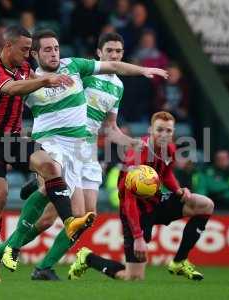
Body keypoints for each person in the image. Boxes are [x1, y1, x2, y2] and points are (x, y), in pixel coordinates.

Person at [0, 30, 168, 280]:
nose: (114, 55)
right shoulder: (82, 72)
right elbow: (27, 87)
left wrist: (132, 142)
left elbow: (109, 128)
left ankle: (38, 264)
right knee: (52, 199)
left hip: (85, 151)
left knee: (84, 216)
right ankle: (11, 247)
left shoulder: (117, 87)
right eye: (109, 51)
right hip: (58, 142)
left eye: (119, 51)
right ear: (99, 53)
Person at [0, 25, 95, 283]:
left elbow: (40, 89)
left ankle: (70, 220)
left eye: (31, 50)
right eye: (24, 49)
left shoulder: (26, 69)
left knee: (51, 166)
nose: (29, 55)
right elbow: (11, 89)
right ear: (8, 47)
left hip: (14, 139)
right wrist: (45, 80)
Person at [68, 111, 214, 281]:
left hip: (157, 202)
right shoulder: (137, 155)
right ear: (150, 129)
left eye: (169, 131)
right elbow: (129, 201)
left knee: (205, 204)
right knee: (134, 278)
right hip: (135, 212)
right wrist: (137, 237)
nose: (164, 135)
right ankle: (88, 258)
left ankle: (179, 262)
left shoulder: (170, 148)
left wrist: (178, 191)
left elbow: (165, 173)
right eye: (160, 130)